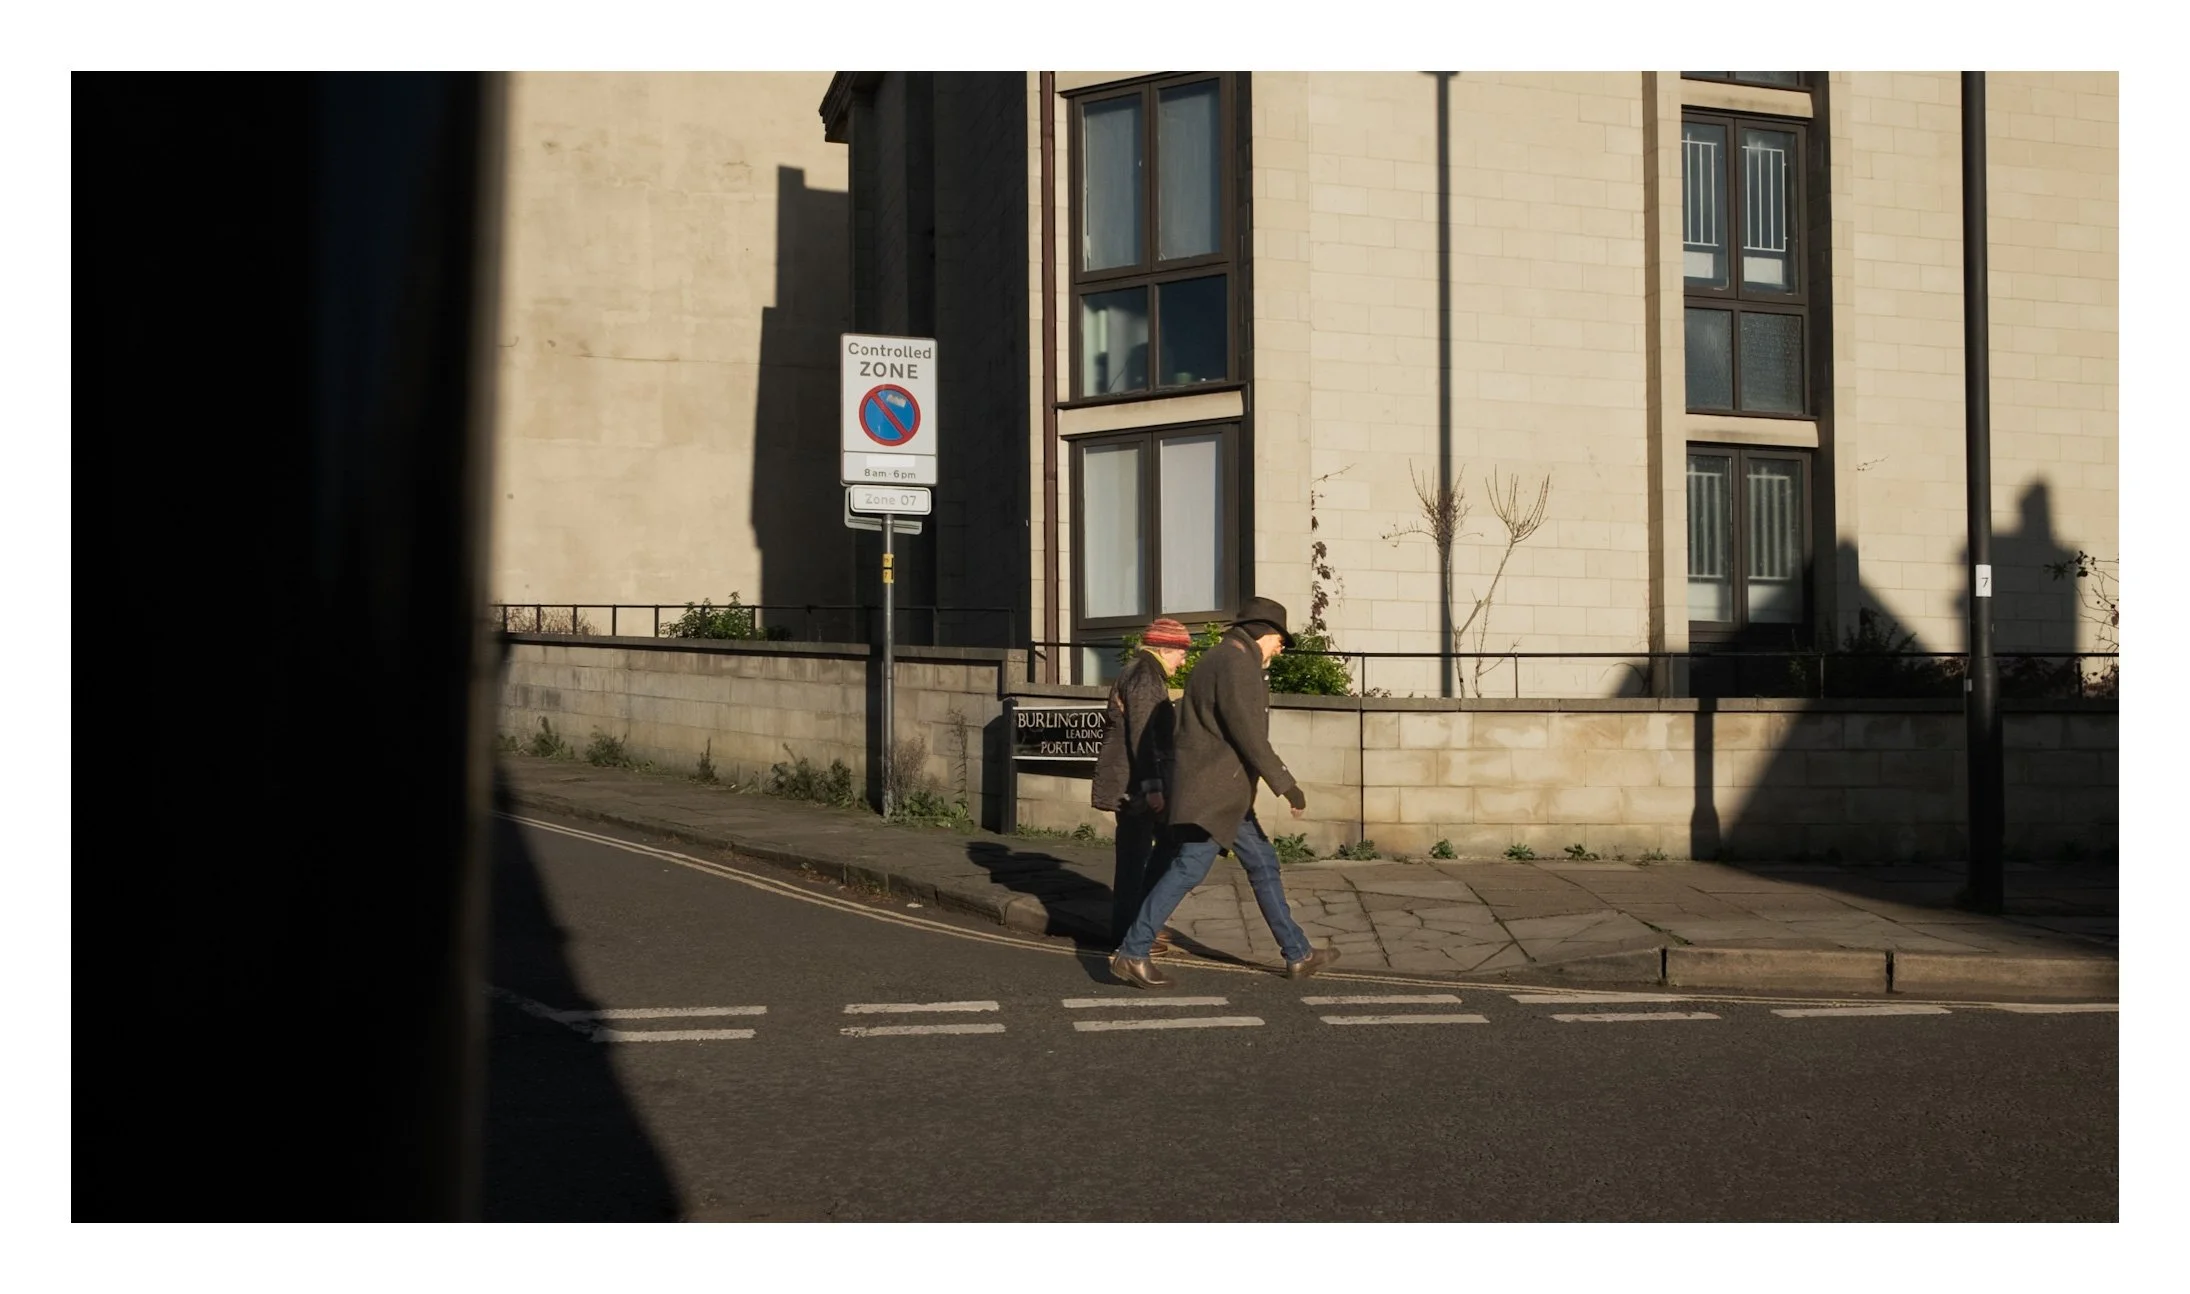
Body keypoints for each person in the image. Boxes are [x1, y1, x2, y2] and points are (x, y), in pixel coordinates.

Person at [1110, 597, 1337, 990]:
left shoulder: (1222, 657)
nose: (1281, 647)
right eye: (1280, 639)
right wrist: (1287, 785)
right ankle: (1133, 951)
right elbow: (1247, 733)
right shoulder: (1236, 664)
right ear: (1264, 633)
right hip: (1213, 794)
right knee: (1188, 868)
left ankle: (1297, 952)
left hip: (1218, 791)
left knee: (1262, 862)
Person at [1090, 618, 1192, 954]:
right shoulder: (1145, 677)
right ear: (1165, 649)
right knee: (1134, 859)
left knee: (1164, 847)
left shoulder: (1142, 672)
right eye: (1182, 652)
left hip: (1137, 782)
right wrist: (1152, 787)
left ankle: (1141, 923)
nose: (1184, 660)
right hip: (1134, 786)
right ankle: (1128, 934)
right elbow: (1143, 737)